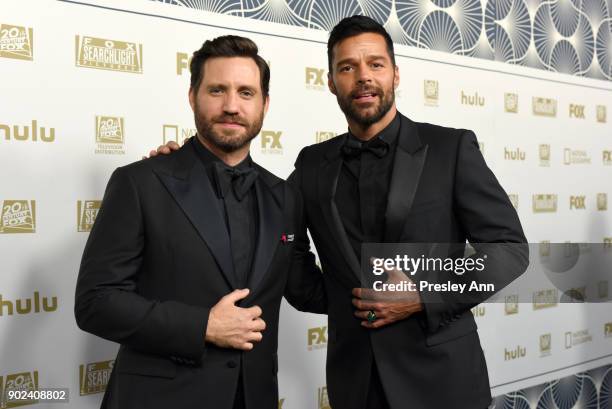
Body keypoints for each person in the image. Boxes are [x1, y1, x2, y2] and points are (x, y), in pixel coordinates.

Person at [153, 16, 528, 409]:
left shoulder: (450, 149)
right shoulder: (313, 165)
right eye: (347, 67)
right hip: (354, 383)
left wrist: (421, 295)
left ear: (396, 75)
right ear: (331, 81)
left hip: (443, 381)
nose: (363, 77)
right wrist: (187, 170)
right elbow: (280, 239)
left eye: (375, 65)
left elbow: (510, 250)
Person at [75, 35, 325, 409]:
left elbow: (305, 288)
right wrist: (202, 325)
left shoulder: (285, 196)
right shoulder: (141, 182)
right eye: (217, 90)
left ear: (264, 104)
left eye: (245, 92)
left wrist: (394, 288)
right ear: (192, 96)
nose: (231, 106)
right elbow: (95, 302)